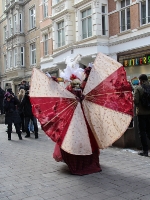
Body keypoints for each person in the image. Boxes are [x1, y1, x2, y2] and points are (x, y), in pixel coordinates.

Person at [134, 74, 150, 157]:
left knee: (142, 132)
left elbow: (136, 100)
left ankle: (145, 151)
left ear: (141, 80)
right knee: (149, 131)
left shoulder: (138, 88)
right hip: (149, 113)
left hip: (141, 113)